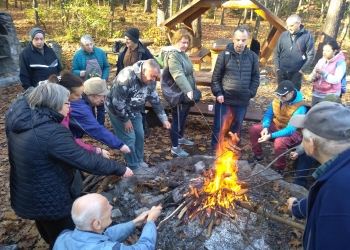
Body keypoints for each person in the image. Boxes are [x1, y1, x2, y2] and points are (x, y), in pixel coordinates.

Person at [5, 83, 133, 250]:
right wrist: (120, 169)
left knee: (48, 230)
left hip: (29, 194)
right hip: (51, 198)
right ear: (54, 105)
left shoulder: (25, 118)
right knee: (63, 238)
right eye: (67, 103)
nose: (70, 106)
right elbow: (83, 159)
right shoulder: (50, 132)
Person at [287, 101, 350, 249]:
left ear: (311, 143)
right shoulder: (339, 172)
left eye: (302, 135)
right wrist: (299, 207)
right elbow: (326, 201)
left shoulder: (338, 187)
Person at [105, 59, 171, 170]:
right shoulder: (126, 77)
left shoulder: (150, 81)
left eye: (156, 77)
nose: (154, 79)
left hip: (135, 111)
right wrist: (126, 121)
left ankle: (139, 160)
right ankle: (133, 165)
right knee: (129, 138)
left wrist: (164, 119)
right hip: (118, 111)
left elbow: (155, 99)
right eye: (152, 76)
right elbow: (117, 103)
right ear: (144, 70)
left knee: (140, 135)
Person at [39, 70, 110, 158]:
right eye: (77, 95)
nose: (80, 97)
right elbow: (67, 141)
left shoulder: (56, 113)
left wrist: (95, 150)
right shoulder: (55, 120)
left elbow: (69, 139)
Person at [211, 25, 260, 150]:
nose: (240, 43)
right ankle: (216, 150)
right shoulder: (224, 55)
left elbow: (255, 78)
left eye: (243, 40)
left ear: (247, 40)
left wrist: (250, 93)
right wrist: (218, 93)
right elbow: (216, 77)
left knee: (236, 127)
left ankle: (233, 151)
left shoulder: (252, 57)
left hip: (242, 100)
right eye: (238, 40)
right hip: (225, 100)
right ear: (233, 39)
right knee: (220, 126)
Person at [53, 193, 162, 249]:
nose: (111, 207)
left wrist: (134, 223)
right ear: (97, 224)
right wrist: (150, 222)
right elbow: (143, 248)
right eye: (107, 208)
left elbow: (106, 235)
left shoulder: (63, 237)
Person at [248, 80, 307, 174]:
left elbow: (290, 130)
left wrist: (270, 136)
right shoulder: (277, 100)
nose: (281, 97)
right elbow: (268, 114)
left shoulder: (300, 107)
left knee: (279, 142)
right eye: (279, 95)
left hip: (294, 133)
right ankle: (257, 156)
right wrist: (265, 127)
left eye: (284, 95)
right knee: (254, 129)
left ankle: (279, 169)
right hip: (277, 125)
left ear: (292, 93)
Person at [290, 94, 342, 188]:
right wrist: (298, 152)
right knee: (305, 155)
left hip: (338, 156)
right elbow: (309, 137)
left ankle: (320, 186)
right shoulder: (320, 119)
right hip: (321, 147)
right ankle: (300, 182)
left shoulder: (344, 124)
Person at [160, 28, 197, 157]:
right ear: (176, 41)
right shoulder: (173, 55)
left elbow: (189, 73)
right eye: (182, 42)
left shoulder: (183, 53)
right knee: (177, 119)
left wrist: (193, 87)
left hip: (185, 93)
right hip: (176, 92)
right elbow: (178, 74)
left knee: (184, 117)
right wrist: (188, 90)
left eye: (187, 43)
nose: (185, 45)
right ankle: (175, 147)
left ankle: (181, 138)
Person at [69, 77, 131, 154]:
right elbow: (96, 129)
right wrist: (120, 145)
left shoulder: (82, 101)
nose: (103, 99)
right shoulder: (80, 107)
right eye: (102, 96)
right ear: (93, 94)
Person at [116, 28, 154, 137]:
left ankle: (141, 131)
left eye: (128, 39)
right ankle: (128, 130)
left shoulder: (144, 52)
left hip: (139, 86)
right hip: (124, 85)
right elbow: (119, 67)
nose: (126, 41)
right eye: (125, 39)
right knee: (125, 107)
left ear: (134, 40)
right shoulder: (123, 50)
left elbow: (151, 68)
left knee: (140, 109)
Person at [72, 34, 110, 126]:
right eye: (87, 45)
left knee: (101, 106)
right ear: (82, 46)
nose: (90, 47)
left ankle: (100, 126)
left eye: (91, 44)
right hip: (86, 86)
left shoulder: (100, 52)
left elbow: (106, 67)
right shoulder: (78, 55)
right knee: (89, 106)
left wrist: (104, 78)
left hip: (100, 84)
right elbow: (73, 70)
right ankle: (92, 125)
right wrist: (79, 72)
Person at [274, 14, 315, 90]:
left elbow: (311, 55)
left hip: (296, 73)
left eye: (292, 26)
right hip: (282, 72)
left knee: (294, 96)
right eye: (288, 26)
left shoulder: (307, 36)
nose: (289, 28)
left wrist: (301, 71)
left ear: (299, 23)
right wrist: (277, 68)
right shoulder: (283, 35)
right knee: (282, 96)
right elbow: (277, 51)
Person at [309, 40, 346, 106]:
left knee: (326, 115)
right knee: (313, 114)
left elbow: (336, 80)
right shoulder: (321, 61)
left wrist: (324, 73)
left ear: (334, 51)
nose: (325, 53)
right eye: (324, 50)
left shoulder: (340, 62)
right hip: (316, 93)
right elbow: (312, 74)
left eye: (328, 51)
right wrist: (313, 77)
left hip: (330, 95)